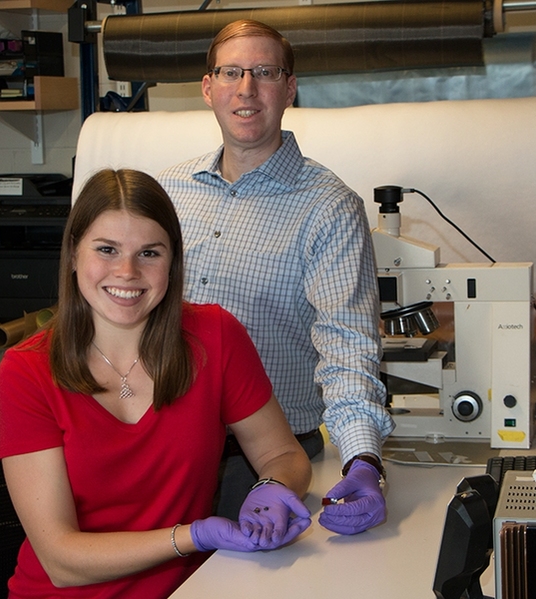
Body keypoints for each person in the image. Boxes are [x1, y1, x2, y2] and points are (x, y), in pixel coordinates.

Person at [0, 168, 312, 599]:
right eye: (106, 249)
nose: (127, 271)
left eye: (149, 253)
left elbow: (282, 453)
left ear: (173, 262)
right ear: (72, 254)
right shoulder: (27, 370)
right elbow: (61, 560)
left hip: (192, 590)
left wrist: (274, 486)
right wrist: (191, 536)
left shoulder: (215, 337)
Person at [157, 19, 395, 535]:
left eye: (265, 72)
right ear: (208, 87)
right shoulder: (167, 193)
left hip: (269, 462)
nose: (246, 88)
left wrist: (363, 461)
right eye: (231, 72)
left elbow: (348, 345)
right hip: (162, 447)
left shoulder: (328, 207)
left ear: (289, 88)